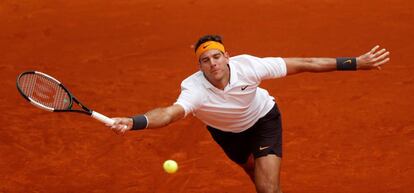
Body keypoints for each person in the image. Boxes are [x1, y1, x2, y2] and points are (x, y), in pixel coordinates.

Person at [108, 34, 390, 193]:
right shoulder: (193, 88)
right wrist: (135, 122)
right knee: (254, 174)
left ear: (227, 56)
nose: (212, 63)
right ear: (200, 67)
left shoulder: (250, 66)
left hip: (263, 121)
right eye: (205, 60)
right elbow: (170, 113)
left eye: (216, 56)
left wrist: (355, 63)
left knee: (268, 188)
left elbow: (305, 63)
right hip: (227, 136)